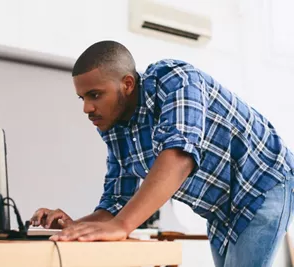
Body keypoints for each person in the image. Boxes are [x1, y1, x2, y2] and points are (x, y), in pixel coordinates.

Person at [30, 40, 294, 267]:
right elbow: (118, 201)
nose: (87, 108)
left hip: (264, 182)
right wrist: (75, 227)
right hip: (220, 208)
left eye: (95, 95)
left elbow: (179, 158)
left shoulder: (175, 79)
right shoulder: (115, 128)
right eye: (82, 98)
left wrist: (122, 225)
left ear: (128, 84)